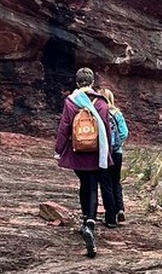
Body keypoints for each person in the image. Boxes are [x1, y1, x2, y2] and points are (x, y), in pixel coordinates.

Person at [54, 67, 114, 258]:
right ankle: (90, 222)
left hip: (77, 151)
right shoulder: (102, 102)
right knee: (93, 185)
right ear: (92, 82)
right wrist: (108, 152)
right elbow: (106, 129)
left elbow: (64, 127)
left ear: (77, 82)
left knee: (83, 184)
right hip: (96, 152)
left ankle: (84, 221)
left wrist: (58, 150)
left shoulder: (71, 101)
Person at [101, 88, 129, 224]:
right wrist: (117, 145)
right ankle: (120, 209)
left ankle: (110, 216)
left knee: (106, 183)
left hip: (104, 153)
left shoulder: (99, 112)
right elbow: (124, 132)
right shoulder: (117, 113)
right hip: (117, 153)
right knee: (116, 181)